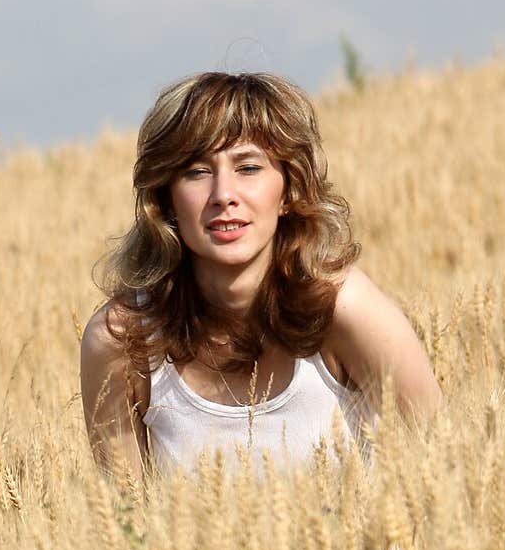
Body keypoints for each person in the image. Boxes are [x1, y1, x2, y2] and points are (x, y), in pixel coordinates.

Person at [80, 70, 443, 486]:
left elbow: (447, 467)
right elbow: (128, 529)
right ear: (165, 198)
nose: (224, 194)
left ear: (290, 190)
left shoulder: (344, 310)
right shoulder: (123, 343)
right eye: (197, 172)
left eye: (248, 168)